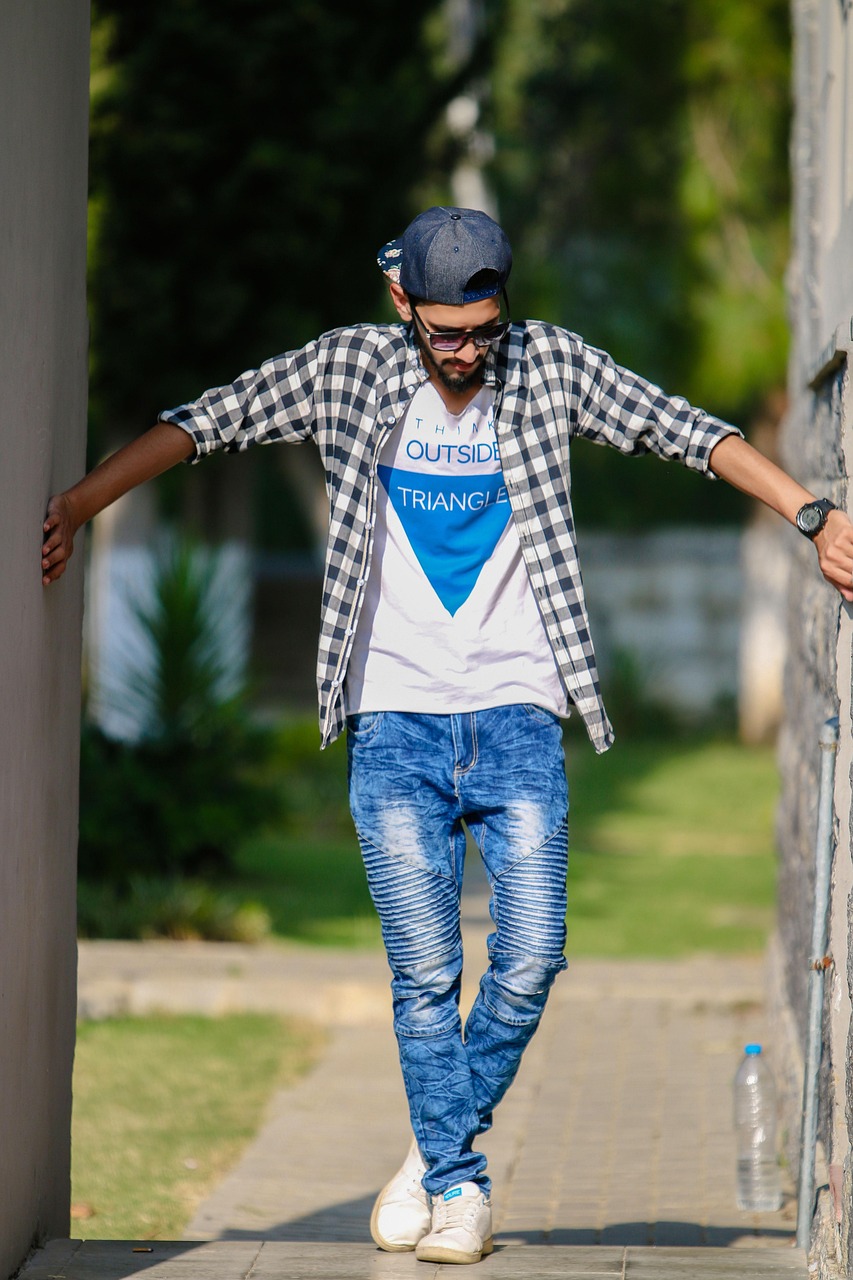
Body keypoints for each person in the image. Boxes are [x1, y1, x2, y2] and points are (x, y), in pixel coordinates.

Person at [43, 207, 853, 1265]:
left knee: (532, 956)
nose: (467, 351)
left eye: (483, 328)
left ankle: (432, 1149)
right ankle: (461, 1187)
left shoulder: (548, 366)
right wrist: (81, 503)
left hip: (517, 715)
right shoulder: (346, 369)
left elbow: (685, 430)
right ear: (403, 303)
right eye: (445, 332)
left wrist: (812, 515)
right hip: (393, 721)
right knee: (425, 974)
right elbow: (206, 422)